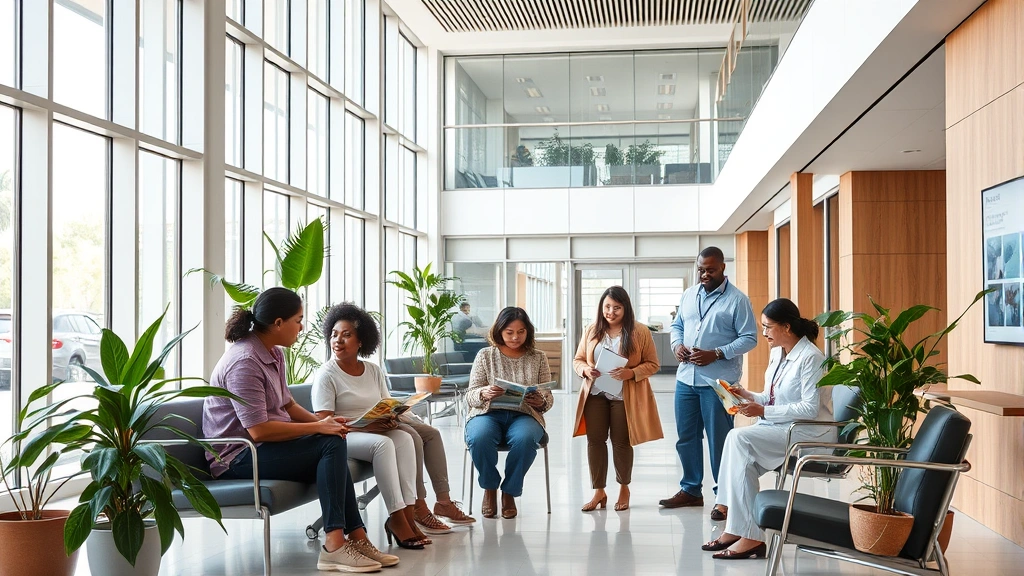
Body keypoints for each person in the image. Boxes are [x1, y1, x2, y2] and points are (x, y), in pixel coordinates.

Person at [203, 288, 394, 573]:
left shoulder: (273, 354)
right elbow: (258, 431)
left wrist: (327, 425)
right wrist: (318, 426)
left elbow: (288, 404)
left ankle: (357, 538)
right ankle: (335, 544)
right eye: (298, 319)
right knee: (329, 444)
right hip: (237, 458)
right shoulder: (245, 361)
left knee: (332, 438)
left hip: (262, 449)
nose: (302, 327)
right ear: (278, 323)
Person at [310, 304, 475, 540]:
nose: (338, 340)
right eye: (334, 335)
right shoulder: (327, 374)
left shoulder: (372, 370)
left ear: (360, 341)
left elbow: (385, 402)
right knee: (387, 444)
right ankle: (399, 516)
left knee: (407, 438)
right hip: (346, 433)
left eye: (346, 335)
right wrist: (367, 425)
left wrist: (389, 416)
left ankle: (410, 516)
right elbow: (323, 421)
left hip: (373, 428)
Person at [702, 298, 834, 559]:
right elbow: (773, 396)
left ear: (786, 327)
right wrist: (749, 395)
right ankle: (741, 532)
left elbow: (809, 408)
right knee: (742, 457)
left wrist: (763, 411)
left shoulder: (811, 358)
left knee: (738, 439)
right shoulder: (777, 353)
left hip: (810, 433)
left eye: (768, 327)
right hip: (784, 426)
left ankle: (746, 533)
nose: (763, 333)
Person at [660, 246, 758, 517]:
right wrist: (677, 344)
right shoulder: (689, 295)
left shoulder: (738, 300)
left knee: (719, 440)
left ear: (723, 268)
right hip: (686, 380)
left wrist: (716, 352)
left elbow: (750, 337)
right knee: (686, 437)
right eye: (701, 269)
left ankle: (723, 497)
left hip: (717, 383)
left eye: (710, 270)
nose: (704, 274)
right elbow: (678, 325)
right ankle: (691, 490)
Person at [573, 286, 663, 512]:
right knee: (595, 441)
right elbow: (578, 359)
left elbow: (653, 364)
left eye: (616, 308)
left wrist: (630, 373)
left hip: (624, 396)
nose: (610, 312)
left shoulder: (640, 331)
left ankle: (624, 487)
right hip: (595, 394)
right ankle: (599, 491)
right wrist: (586, 370)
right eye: (607, 307)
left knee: (621, 442)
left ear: (626, 308)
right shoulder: (592, 330)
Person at [465, 307, 555, 519]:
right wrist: (484, 392)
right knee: (479, 437)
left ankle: (509, 492)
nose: (515, 337)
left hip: (524, 415)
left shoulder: (538, 357)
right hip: (487, 414)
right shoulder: (485, 355)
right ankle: (489, 488)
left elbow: (548, 396)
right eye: (509, 332)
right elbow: (470, 395)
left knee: (525, 439)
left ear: (528, 332)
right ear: (499, 331)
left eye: (521, 332)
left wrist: (540, 400)